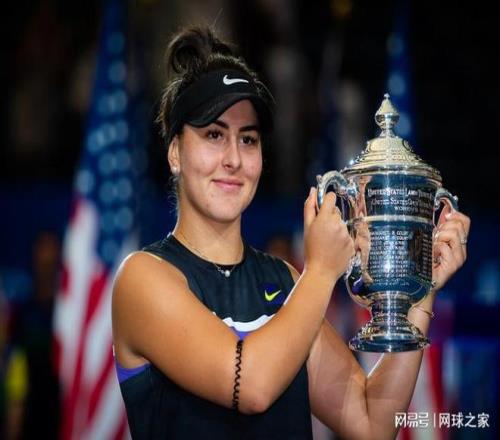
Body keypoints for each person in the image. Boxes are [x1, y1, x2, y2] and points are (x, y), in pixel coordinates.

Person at [112, 25, 470, 439]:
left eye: (248, 139)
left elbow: (372, 423)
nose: (233, 159)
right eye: (214, 135)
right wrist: (320, 271)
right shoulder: (143, 277)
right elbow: (251, 387)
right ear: (175, 152)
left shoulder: (284, 282)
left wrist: (420, 291)